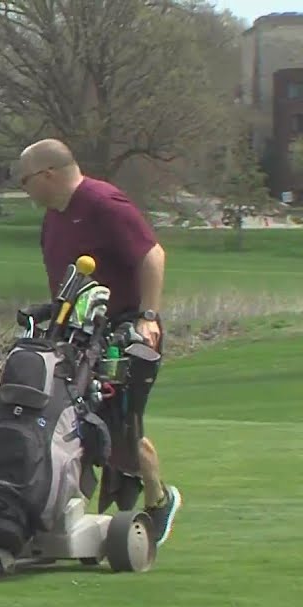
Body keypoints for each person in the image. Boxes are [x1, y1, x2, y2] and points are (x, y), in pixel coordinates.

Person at [17, 138, 182, 544]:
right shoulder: (54, 218)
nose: (25, 190)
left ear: (48, 175)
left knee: (118, 425)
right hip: (74, 333)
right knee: (64, 418)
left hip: (124, 332)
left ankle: (159, 501)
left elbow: (152, 255)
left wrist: (148, 317)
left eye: (26, 181)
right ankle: (61, 510)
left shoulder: (103, 202)